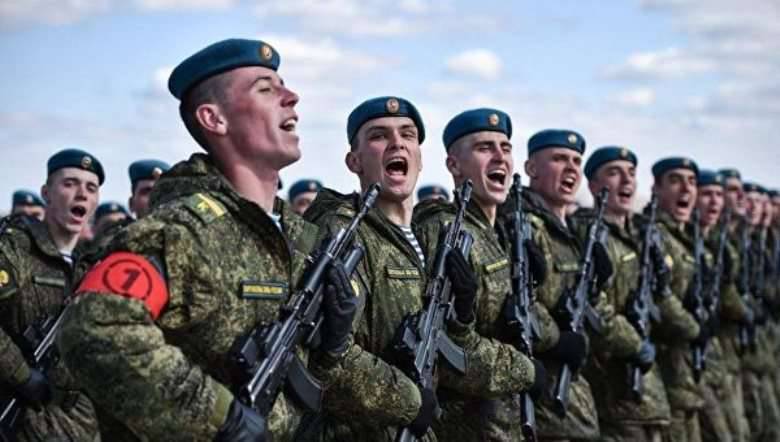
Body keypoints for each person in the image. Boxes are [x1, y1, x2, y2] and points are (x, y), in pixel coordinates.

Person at [56, 38, 356, 442]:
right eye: (266, 89)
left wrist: (335, 345)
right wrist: (219, 418)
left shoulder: (300, 238)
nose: (291, 97)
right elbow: (93, 329)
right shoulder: (180, 231)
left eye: (284, 84)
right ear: (214, 119)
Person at [305, 96, 477, 441]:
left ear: (419, 158)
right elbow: (328, 356)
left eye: (408, 135)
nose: (397, 143)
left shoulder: (426, 239)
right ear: (354, 161)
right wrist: (410, 401)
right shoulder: (344, 232)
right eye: (379, 136)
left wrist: (463, 318)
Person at [413, 108, 552, 441]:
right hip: (465, 428)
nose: (500, 157)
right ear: (454, 165)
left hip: (508, 425)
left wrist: (533, 289)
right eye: (485, 148)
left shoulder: (501, 234)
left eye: (505, 148)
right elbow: (444, 351)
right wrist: (526, 372)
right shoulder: (445, 229)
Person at [496, 129, 615, 441]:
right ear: (531, 169)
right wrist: (558, 338)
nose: (572, 168)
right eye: (560, 160)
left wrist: (594, 287)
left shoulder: (571, 231)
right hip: (544, 399)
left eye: (577, 161)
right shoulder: (521, 224)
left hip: (575, 402)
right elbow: (517, 300)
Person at [573, 147, 698, 442]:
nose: (626, 181)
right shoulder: (589, 235)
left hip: (650, 396)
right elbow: (593, 306)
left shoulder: (640, 237)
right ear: (592, 186)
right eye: (614, 173)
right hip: (614, 392)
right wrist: (635, 342)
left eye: (631, 173)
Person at [0, 148, 102, 441]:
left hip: (80, 426)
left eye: (91, 188)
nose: (82, 194)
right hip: (20, 422)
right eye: (70, 183)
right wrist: (21, 374)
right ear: (46, 192)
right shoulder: (15, 250)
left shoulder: (92, 266)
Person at [649, 157, 706, 442]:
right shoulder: (652, 233)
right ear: (656, 188)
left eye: (692, 181)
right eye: (675, 180)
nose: (686, 188)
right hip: (663, 373)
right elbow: (660, 297)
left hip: (685, 375)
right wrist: (694, 327)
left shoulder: (684, 236)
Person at [694, 170, 751, 442]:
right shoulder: (698, 241)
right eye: (711, 193)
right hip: (694, 364)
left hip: (722, 356)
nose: (735, 197)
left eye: (721, 193)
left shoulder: (721, 242)